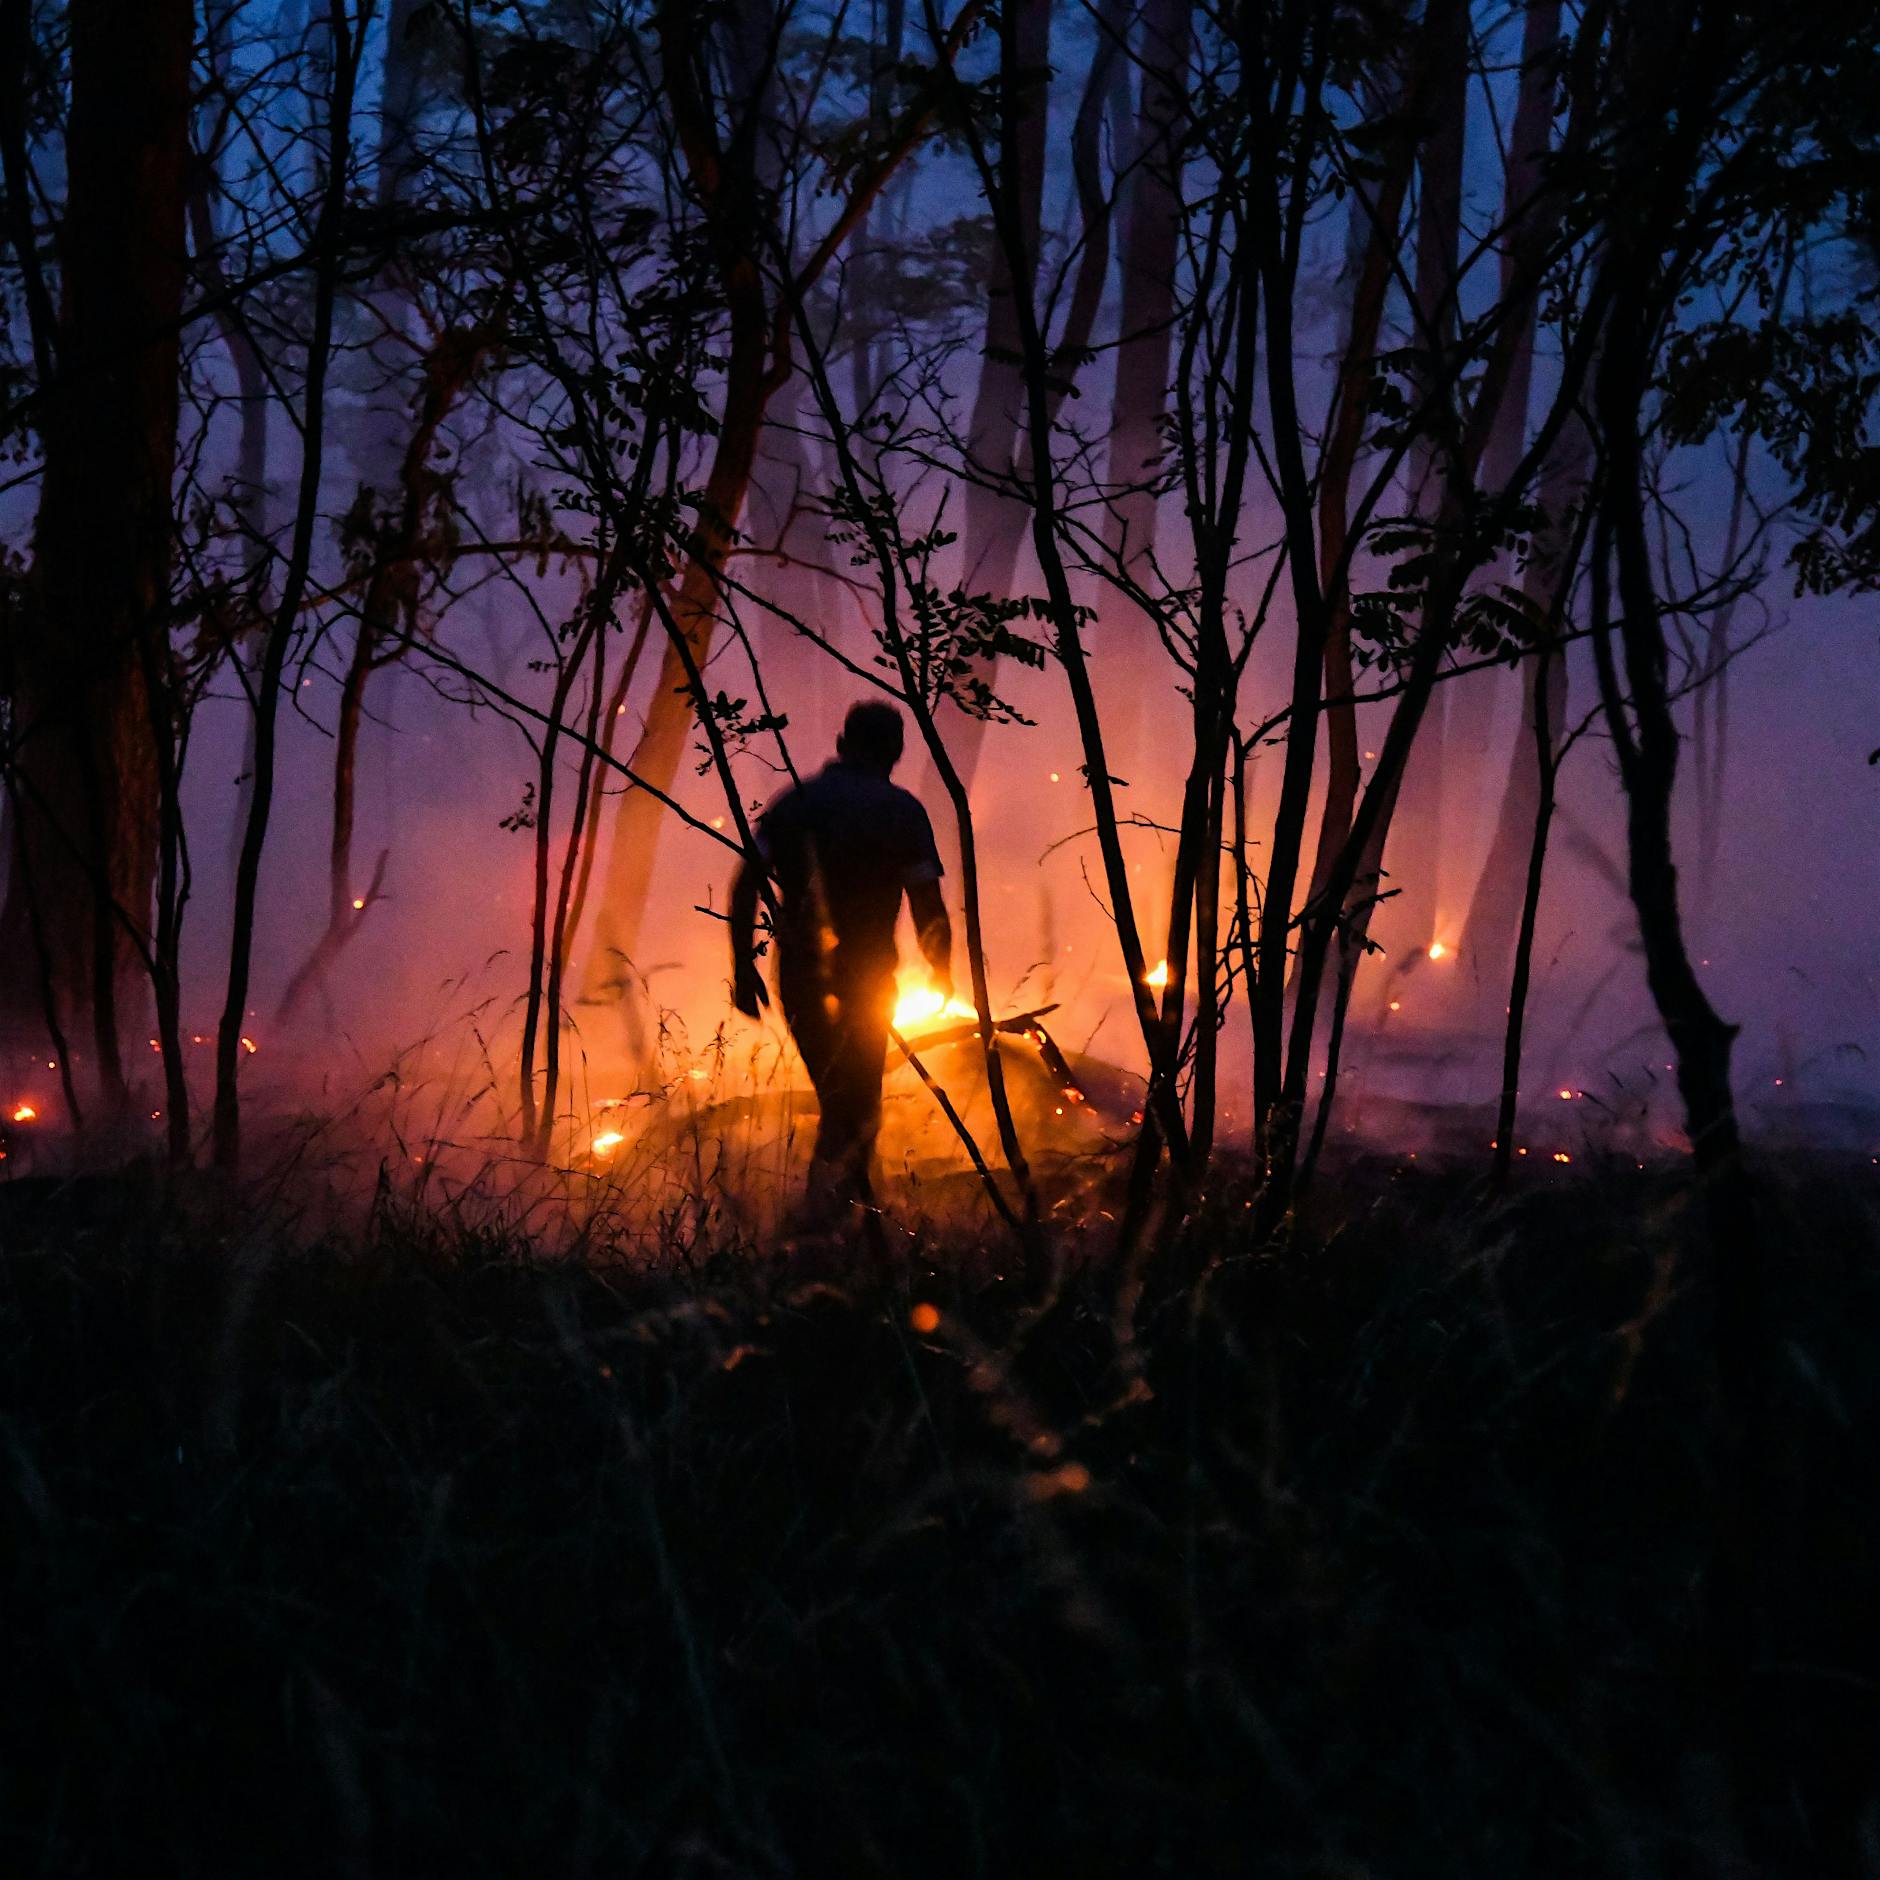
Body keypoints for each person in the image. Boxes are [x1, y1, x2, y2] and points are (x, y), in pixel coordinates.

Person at [729, 701, 952, 1222]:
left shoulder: (795, 803)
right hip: (870, 978)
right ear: (895, 750)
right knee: (856, 1101)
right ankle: (841, 1221)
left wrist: (743, 966)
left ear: (841, 741)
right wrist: (941, 969)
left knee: (838, 1098)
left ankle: (834, 1218)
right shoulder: (901, 810)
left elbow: (746, 885)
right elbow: (926, 901)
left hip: (800, 975)